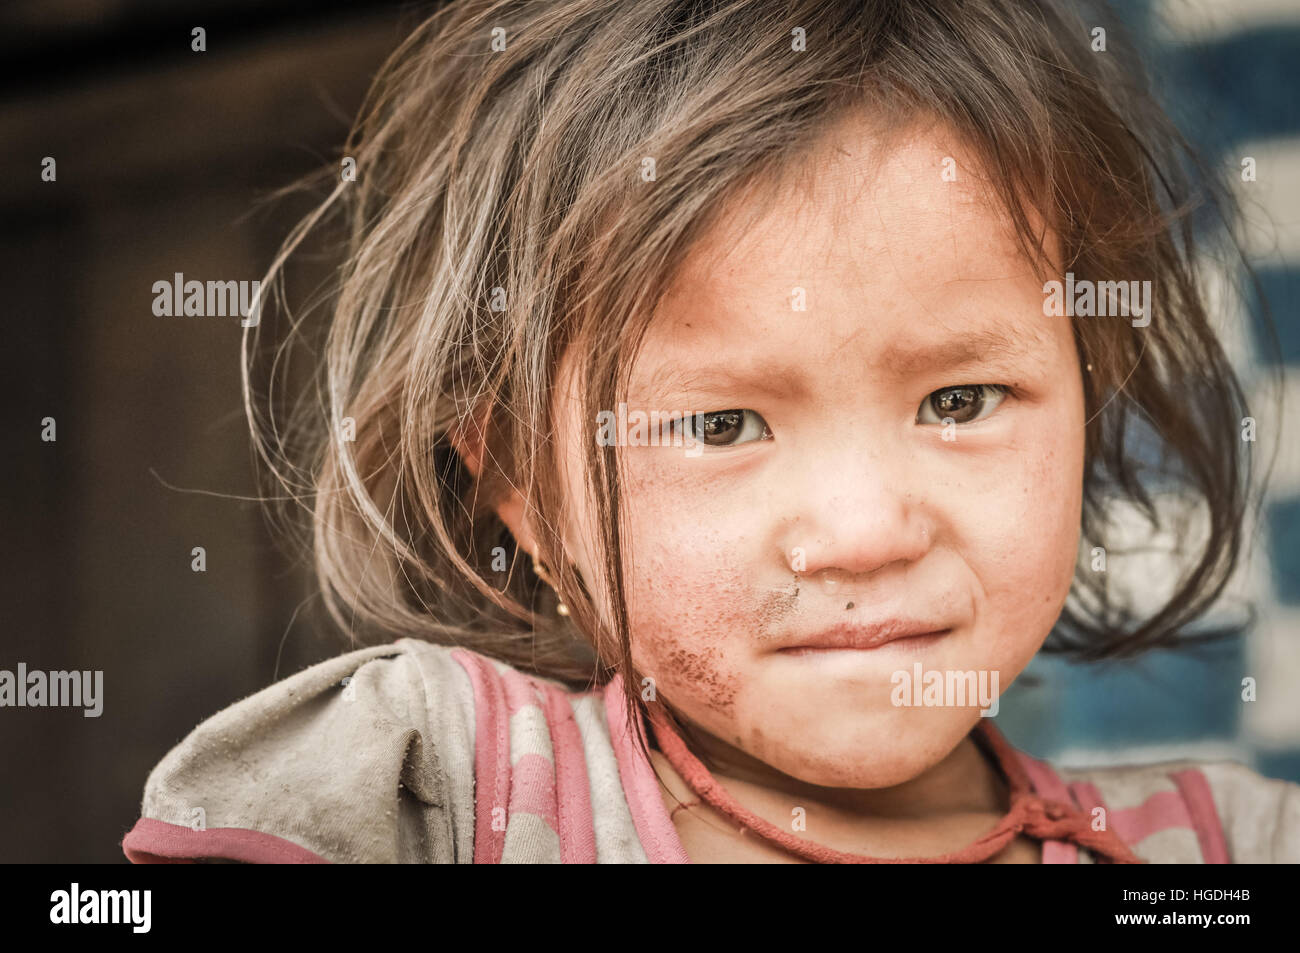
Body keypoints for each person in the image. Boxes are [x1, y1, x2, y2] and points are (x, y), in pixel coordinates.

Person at [122, 0, 1300, 863]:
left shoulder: (1217, 852)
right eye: (723, 422)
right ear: (519, 491)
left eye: (959, 401)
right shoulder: (425, 784)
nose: (862, 531)